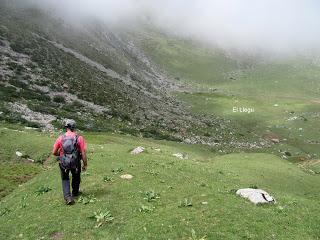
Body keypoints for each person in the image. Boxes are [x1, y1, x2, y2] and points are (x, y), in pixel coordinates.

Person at [52, 119, 88, 205]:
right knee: (76, 177)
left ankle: (68, 197)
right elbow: (83, 152)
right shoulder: (79, 138)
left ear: (66, 127)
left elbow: (54, 152)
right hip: (75, 162)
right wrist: (85, 164)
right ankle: (75, 192)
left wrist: (61, 154)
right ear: (74, 127)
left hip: (63, 162)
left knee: (65, 179)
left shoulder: (60, 138)